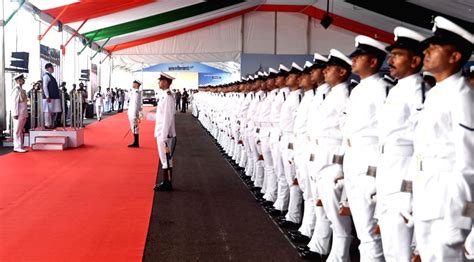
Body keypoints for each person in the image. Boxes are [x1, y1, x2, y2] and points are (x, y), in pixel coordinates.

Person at [411, 16, 473, 261]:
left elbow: (469, 165)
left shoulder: (462, 96)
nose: (426, 51)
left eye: (434, 48)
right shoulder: (437, 93)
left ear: (454, 57)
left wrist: (459, 223)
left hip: (447, 207)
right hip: (428, 198)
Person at [376, 26, 426, 262]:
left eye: (397, 55)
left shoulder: (419, 91)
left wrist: (410, 188)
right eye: (391, 55)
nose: (390, 60)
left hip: (404, 173)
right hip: (388, 169)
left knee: (402, 244)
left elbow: (423, 143)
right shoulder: (398, 89)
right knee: (390, 242)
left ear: (415, 60)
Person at [342, 35, 389, 261]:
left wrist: (376, 172)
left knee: (371, 232)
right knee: (363, 230)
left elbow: (386, 134)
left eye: (359, 57)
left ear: (373, 62)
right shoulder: (360, 89)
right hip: (354, 159)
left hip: (369, 162)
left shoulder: (381, 89)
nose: (354, 60)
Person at [154, 73, 177, 191]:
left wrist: (163, 136)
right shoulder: (164, 95)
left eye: (160, 80)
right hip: (161, 131)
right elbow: (160, 116)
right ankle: (166, 182)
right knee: (165, 158)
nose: (158, 82)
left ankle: (167, 183)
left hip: (165, 133)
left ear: (166, 82)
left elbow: (167, 117)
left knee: (166, 159)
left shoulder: (168, 96)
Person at [11, 74, 29, 153]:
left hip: (22, 112)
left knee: (21, 130)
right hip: (18, 113)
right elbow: (14, 102)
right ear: (18, 80)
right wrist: (15, 113)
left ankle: (20, 145)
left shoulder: (21, 89)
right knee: (17, 130)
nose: (23, 80)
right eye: (22, 79)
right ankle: (17, 146)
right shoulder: (16, 90)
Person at [42, 63, 62, 129]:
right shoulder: (46, 76)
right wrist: (47, 96)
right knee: (47, 111)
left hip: (52, 96)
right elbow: (45, 86)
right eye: (51, 67)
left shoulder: (50, 76)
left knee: (51, 111)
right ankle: (47, 124)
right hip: (49, 97)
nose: (53, 69)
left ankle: (50, 124)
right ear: (48, 68)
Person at [127, 81, 142, 148]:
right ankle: (135, 142)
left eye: (133, 83)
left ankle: (136, 143)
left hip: (133, 113)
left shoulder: (136, 93)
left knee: (135, 127)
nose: (132, 84)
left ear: (136, 84)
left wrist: (135, 114)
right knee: (133, 127)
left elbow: (136, 104)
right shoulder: (134, 92)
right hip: (132, 112)